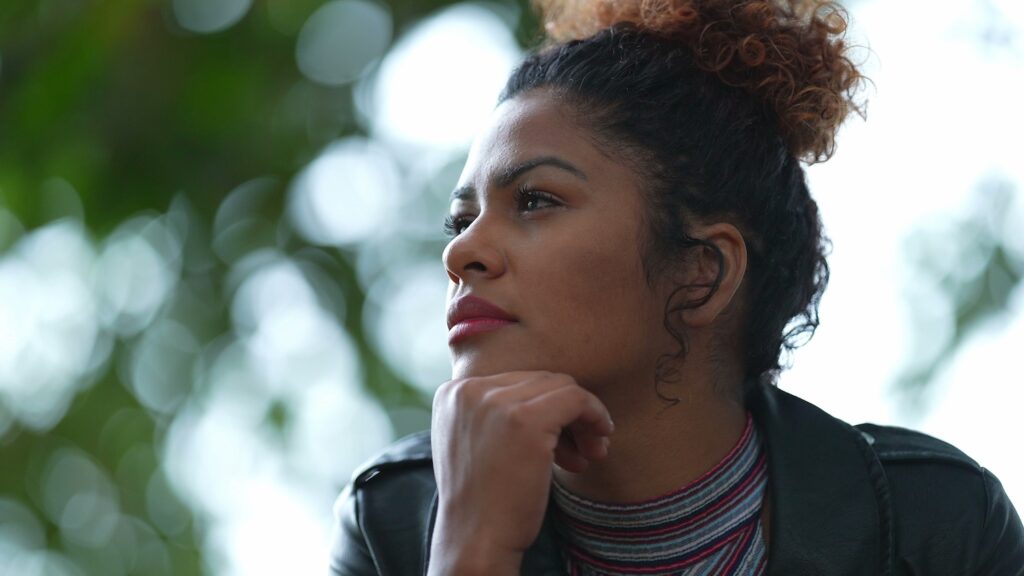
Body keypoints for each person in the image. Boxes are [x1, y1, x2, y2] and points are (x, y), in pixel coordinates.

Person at [328, 0, 1024, 574]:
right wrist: (471, 549)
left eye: (536, 200)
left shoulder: (937, 525)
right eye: (461, 219)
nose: (461, 252)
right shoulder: (392, 524)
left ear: (703, 271)